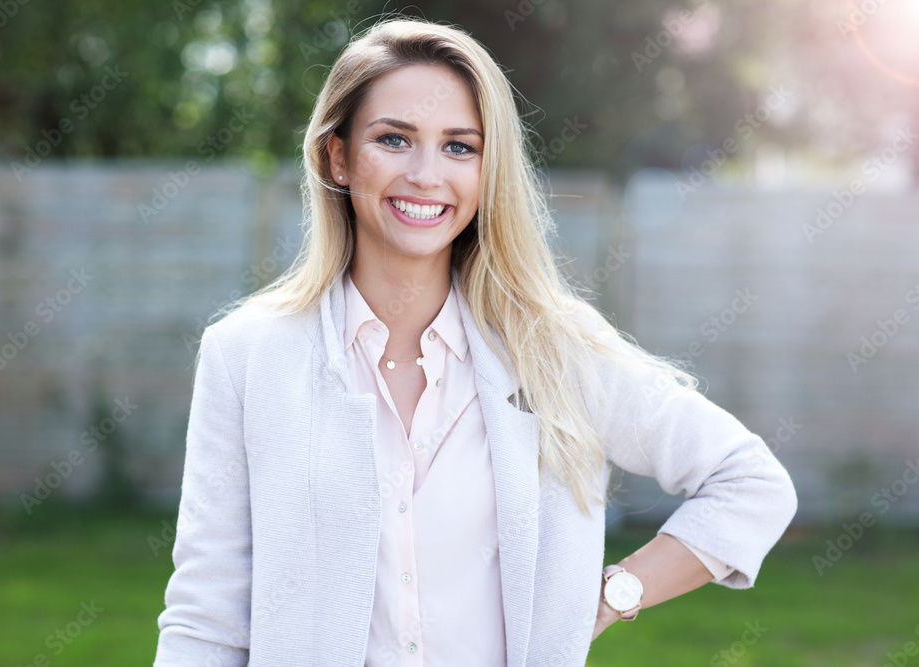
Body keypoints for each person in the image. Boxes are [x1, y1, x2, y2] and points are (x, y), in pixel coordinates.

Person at [153, 15, 797, 667]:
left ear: (490, 169)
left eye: (460, 146)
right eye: (394, 139)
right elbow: (206, 616)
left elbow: (750, 481)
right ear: (338, 156)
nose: (427, 175)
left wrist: (608, 595)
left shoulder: (554, 348)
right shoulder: (246, 354)